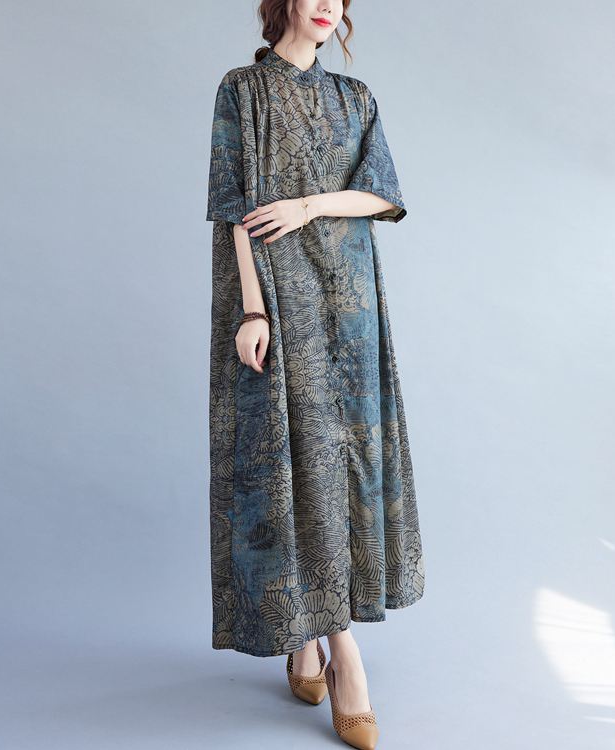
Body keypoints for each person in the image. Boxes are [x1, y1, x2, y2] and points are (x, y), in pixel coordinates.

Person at [205, 1, 425, 747]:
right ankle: (345, 658)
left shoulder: (354, 96)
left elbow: (382, 193)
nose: (330, 5)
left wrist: (306, 205)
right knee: (295, 463)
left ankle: (308, 639)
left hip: (350, 298)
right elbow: (233, 209)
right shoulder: (242, 89)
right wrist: (252, 309)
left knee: (343, 467)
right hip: (280, 297)